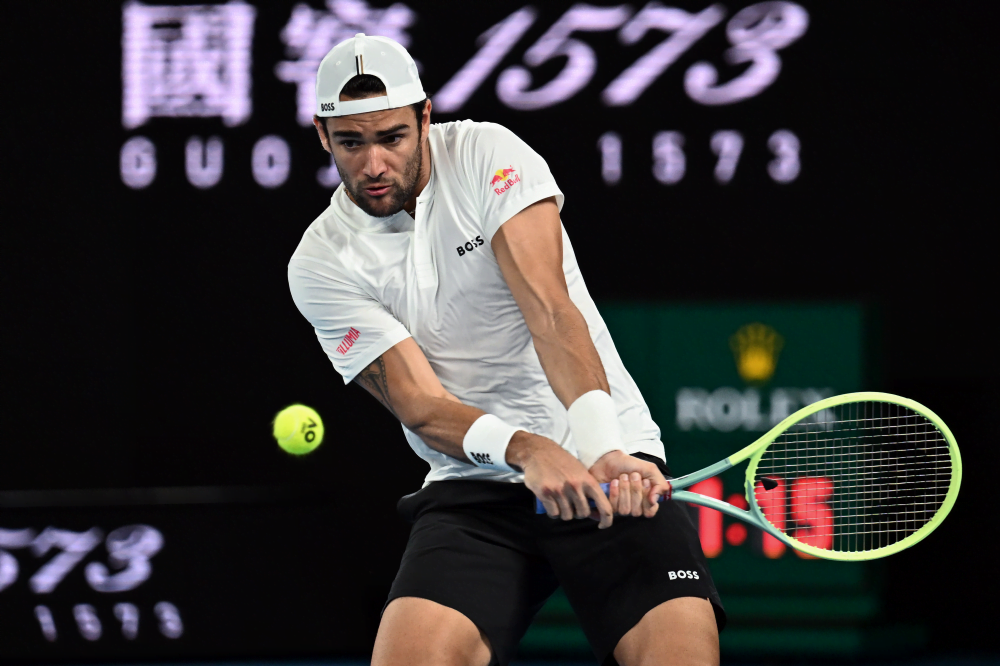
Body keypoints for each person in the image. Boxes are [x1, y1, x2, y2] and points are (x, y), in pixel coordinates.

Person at [288, 33, 725, 666]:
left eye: (392, 138)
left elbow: (549, 309)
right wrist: (526, 449)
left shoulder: (487, 154)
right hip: (478, 482)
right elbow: (421, 405)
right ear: (323, 136)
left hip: (603, 453)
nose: (373, 164)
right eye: (352, 143)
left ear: (425, 118)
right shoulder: (321, 261)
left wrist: (600, 445)